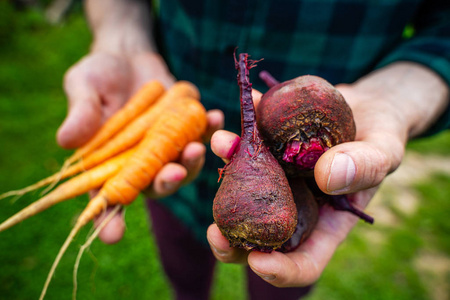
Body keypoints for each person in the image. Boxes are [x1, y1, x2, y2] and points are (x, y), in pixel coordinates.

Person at [58, 0, 450, 299]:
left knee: (278, 279)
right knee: (181, 265)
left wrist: (400, 95)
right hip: (175, 142)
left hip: (312, 185)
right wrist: (119, 38)